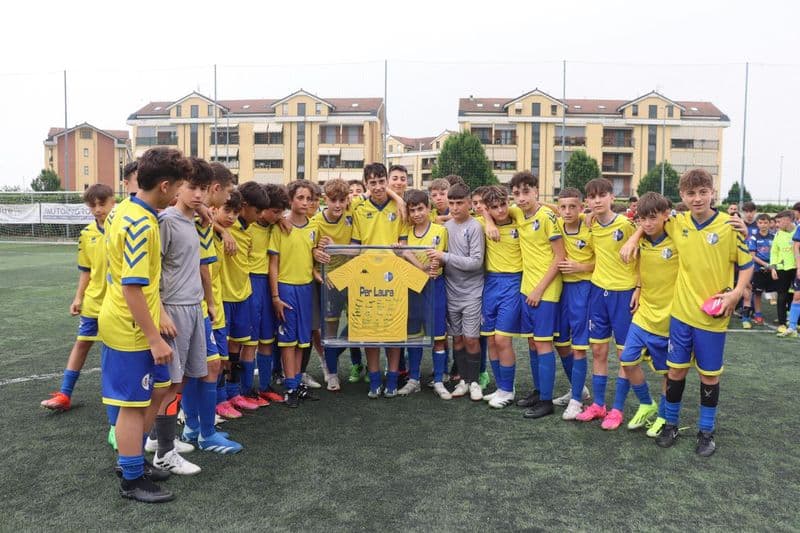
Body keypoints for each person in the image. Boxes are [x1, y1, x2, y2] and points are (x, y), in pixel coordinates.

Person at [621, 168, 753, 456]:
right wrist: (633, 238)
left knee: (709, 376)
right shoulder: (676, 222)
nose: (697, 199)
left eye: (703, 192)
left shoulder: (729, 227)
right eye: (691, 193)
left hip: (712, 317)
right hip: (679, 315)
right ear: (681, 196)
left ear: (712, 193)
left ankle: (706, 431)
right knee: (676, 372)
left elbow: (746, 265)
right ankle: (670, 424)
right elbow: (650, 219)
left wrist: (735, 292)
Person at [99, 146, 192, 503]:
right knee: (133, 405)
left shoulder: (131, 209)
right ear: (165, 186)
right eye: (180, 185)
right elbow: (132, 287)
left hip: (139, 322)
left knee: (160, 388)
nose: (182, 192)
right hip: (130, 328)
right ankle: (131, 478)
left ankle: (132, 460)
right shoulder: (139, 223)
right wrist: (154, 337)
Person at [41, 184, 115, 412]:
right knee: (82, 343)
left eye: (102, 204)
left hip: (118, 303)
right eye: (92, 205)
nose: (97, 209)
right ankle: (65, 393)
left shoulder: (123, 228)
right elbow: (86, 270)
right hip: (94, 301)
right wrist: (78, 297)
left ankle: (118, 403)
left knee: (115, 351)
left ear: (113, 201)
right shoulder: (86, 234)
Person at [576, 178, 639, 428]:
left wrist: (639, 287)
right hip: (598, 292)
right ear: (587, 201)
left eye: (602, 195)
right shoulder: (589, 223)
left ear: (613, 197)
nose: (597, 200)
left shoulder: (626, 225)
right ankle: (599, 405)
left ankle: (618, 409)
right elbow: (554, 208)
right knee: (599, 351)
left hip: (623, 294)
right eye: (592, 197)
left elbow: (642, 255)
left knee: (625, 354)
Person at [617, 192, 678, 437]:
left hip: (669, 317)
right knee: (628, 360)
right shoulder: (641, 238)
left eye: (653, 218)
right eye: (643, 219)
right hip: (644, 313)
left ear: (665, 215)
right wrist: (639, 287)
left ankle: (663, 416)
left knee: (667, 372)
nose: (648, 223)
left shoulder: (677, 238)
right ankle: (646, 403)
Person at [507, 171, 565, 419]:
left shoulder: (547, 217)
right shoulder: (518, 212)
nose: (521, 198)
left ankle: (546, 401)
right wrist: (487, 221)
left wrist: (540, 289)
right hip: (526, 286)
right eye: (517, 193)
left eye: (526, 192)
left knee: (543, 343)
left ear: (536, 191)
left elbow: (560, 257)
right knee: (532, 341)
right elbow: (489, 207)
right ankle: (539, 390)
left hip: (545, 288)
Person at [350, 163, 408, 398]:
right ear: (365, 184)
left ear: (387, 181)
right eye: (372, 182)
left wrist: (398, 198)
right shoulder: (358, 206)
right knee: (370, 332)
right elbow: (354, 245)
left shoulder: (399, 206)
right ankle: (375, 380)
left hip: (393, 277)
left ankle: (392, 378)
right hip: (366, 277)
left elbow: (403, 243)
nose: (377, 187)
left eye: (381, 181)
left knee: (394, 332)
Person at [426, 183, 484, 401]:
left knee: (471, 339)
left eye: (460, 203)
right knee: (457, 339)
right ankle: (463, 381)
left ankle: (475, 381)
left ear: (469, 203)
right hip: (451, 292)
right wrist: (435, 264)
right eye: (452, 203)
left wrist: (445, 257)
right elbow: (439, 259)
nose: (455, 207)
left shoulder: (476, 227)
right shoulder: (445, 227)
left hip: (472, 293)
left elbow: (476, 262)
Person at [219, 181, 269, 412]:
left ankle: (233, 393)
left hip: (244, 294)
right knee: (220, 351)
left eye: (234, 211)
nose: (260, 216)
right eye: (257, 211)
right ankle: (219, 399)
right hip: (223, 296)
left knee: (236, 347)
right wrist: (221, 230)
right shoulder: (220, 227)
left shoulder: (248, 230)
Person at [269, 180, 318, 407]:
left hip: (306, 288)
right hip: (286, 289)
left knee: (301, 340)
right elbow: (274, 265)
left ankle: (297, 384)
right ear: (291, 200)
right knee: (287, 341)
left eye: (309, 198)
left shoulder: (314, 227)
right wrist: (276, 296)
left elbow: (313, 256)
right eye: (300, 197)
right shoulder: (280, 227)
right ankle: (289, 386)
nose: (305, 202)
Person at [397, 189, 449, 396]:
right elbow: (401, 256)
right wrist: (413, 260)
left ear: (429, 208)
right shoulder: (406, 233)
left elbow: (439, 262)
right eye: (413, 210)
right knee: (413, 335)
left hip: (435, 288)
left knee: (437, 336)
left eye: (421, 208)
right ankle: (414, 379)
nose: (417, 213)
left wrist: (430, 265)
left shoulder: (440, 230)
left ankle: (438, 380)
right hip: (412, 289)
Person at [475, 185, 523, 406]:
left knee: (503, 339)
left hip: (513, 283)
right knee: (492, 340)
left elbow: (541, 208)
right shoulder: (482, 224)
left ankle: (507, 390)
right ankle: (502, 387)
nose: (501, 210)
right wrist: (487, 219)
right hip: (490, 284)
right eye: (494, 207)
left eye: (503, 204)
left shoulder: (518, 219)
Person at [313, 179, 359, 392]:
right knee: (329, 328)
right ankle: (332, 373)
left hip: (352, 277)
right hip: (329, 281)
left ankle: (346, 360)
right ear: (325, 200)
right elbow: (311, 252)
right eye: (333, 200)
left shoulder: (352, 214)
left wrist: (335, 246)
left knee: (359, 323)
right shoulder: (316, 222)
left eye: (342, 200)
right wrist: (317, 251)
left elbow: (356, 249)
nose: (338, 205)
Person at [553, 188, 594, 420]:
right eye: (563, 207)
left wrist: (581, 267)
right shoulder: (556, 224)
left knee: (579, 346)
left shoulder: (590, 227)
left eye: (573, 206)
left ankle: (577, 401)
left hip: (583, 290)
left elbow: (605, 261)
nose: (567, 211)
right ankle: (578, 389)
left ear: (581, 207)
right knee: (560, 342)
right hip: (560, 289)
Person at [252, 184, 290, 402]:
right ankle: (241, 390)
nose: (278, 216)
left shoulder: (276, 226)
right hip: (249, 283)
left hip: (268, 284)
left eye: (280, 212)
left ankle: (265, 385)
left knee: (267, 338)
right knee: (246, 340)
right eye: (275, 212)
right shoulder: (246, 225)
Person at [771, 211, 798, 333]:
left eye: (779, 221)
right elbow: (774, 252)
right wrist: (773, 267)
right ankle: (782, 323)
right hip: (782, 269)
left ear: (788, 220)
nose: (777, 224)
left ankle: (795, 322)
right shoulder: (778, 234)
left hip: (797, 268)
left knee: (796, 296)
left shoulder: (797, 231)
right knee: (782, 296)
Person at [747, 214, 774, 326]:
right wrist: (765, 264)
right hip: (759, 269)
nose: (763, 225)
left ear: (770, 224)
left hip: (772, 268)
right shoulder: (754, 238)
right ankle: (757, 314)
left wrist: (772, 265)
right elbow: (752, 255)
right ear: (757, 224)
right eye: (761, 223)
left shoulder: (773, 237)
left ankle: (782, 316)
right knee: (757, 293)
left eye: (766, 223)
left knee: (777, 293)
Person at [776, 221, 800, 338]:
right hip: (790, 268)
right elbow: (796, 246)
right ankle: (789, 326)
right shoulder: (798, 228)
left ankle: (793, 325)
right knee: (793, 296)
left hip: (796, 267)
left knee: (795, 296)